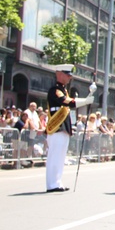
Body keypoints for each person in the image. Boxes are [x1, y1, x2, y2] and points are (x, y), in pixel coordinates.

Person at [44, 64, 96, 193]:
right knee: (54, 156)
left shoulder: (63, 90)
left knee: (60, 157)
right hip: (57, 128)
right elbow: (66, 101)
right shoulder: (55, 90)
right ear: (59, 74)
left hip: (63, 129)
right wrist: (85, 101)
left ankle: (57, 181)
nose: (69, 78)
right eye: (67, 75)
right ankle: (52, 184)